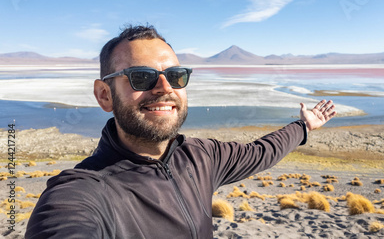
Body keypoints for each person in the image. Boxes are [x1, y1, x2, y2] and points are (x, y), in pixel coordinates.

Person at [26, 25, 336, 239]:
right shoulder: (83, 191)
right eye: (141, 77)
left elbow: (261, 152)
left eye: (175, 76)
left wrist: (304, 126)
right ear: (105, 95)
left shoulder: (202, 156)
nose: (164, 88)